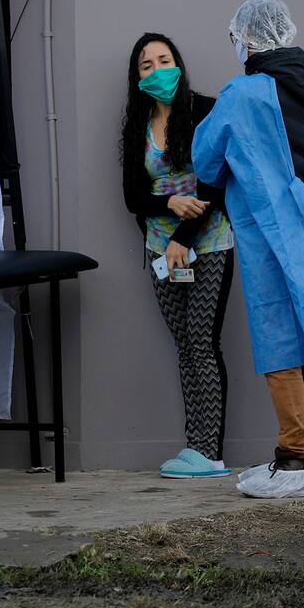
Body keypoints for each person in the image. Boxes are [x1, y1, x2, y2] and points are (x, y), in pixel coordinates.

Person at [192, 0, 304, 497]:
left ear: (248, 39)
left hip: (271, 230)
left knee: (277, 334)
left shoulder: (243, 94)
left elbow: (205, 160)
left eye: (237, 38)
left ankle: (292, 459)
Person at [118, 32, 234, 478]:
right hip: (159, 251)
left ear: (178, 64)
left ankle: (211, 451)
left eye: (164, 60)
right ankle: (194, 446)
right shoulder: (138, 123)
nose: (157, 70)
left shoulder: (205, 111)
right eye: (147, 65)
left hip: (207, 242)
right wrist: (167, 206)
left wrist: (184, 234)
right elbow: (132, 195)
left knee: (203, 342)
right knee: (184, 346)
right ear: (138, 77)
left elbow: (217, 183)